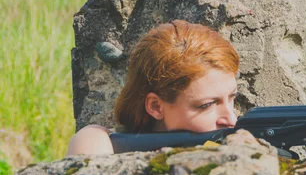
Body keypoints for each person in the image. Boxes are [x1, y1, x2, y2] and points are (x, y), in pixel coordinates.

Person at [66, 20, 239, 156]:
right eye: (207, 105)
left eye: (232, 98)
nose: (231, 119)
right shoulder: (100, 142)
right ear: (156, 106)